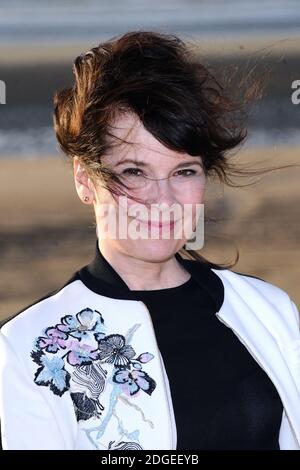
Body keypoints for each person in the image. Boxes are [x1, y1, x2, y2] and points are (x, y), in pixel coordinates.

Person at [0, 30, 299, 451]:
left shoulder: (269, 311)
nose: (162, 200)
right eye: (134, 172)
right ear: (85, 179)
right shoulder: (26, 346)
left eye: (184, 171)